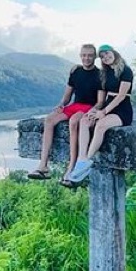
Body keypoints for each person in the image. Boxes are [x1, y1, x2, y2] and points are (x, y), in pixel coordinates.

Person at [28, 44, 102, 183]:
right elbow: (67, 96)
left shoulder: (99, 75)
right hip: (75, 105)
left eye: (90, 55)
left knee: (74, 121)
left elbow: (100, 102)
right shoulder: (75, 72)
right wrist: (61, 105)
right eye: (84, 55)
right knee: (49, 119)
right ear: (80, 55)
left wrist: (93, 110)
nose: (86, 58)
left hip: (88, 107)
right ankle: (43, 166)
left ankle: (71, 167)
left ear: (95, 56)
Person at [68, 44, 133, 183]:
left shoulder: (125, 70)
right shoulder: (104, 73)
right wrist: (95, 111)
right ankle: (81, 158)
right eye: (102, 56)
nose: (105, 57)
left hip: (122, 109)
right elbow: (100, 92)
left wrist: (103, 112)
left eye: (107, 53)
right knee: (85, 120)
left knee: (101, 125)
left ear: (114, 52)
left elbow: (121, 96)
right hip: (107, 106)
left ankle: (86, 160)